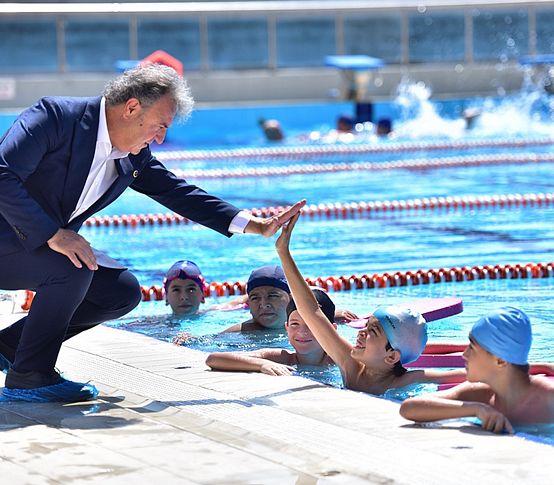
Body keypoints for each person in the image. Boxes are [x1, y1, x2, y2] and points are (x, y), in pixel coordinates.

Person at [0, 63, 305, 403]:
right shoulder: (56, 117)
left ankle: (10, 347)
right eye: (160, 126)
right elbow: (1, 173)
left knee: (120, 292)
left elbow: (176, 191)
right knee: (73, 266)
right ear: (131, 108)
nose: (160, 138)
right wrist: (53, 234)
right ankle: (30, 376)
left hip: (30, 249)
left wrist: (254, 224)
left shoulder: (133, 155)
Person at [274, 212, 466, 395]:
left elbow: (477, 376)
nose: (361, 332)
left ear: (391, 357)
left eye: (372, 331)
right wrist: (283, 252)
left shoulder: (408, 380)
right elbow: (311, 312)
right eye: (366, 326)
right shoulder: (350, 364)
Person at [399, 307, 554, 433]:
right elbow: (409, 408)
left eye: (472, 348)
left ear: (500, 360)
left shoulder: (549, 399)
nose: (464, 355)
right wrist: (476, 409)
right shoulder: (480, 394)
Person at [205, 288, 336, 376]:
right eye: (295, 324)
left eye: (311, 325)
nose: (302, 332)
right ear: (287, 328)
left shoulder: (340, 360)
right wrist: (261, 364)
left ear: (332, 329)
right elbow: (214, 359)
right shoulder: (282, 358)